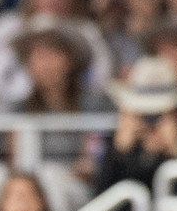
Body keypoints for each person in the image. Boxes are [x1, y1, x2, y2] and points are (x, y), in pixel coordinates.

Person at [8, 22, 113, 180]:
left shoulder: (95, 103)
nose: (46, 64)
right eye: (38, 55)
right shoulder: (19, 107)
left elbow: (91, 161)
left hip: (78, 186)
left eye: (53, 54)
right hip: (30, 186)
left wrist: (80, 168)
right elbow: (15, 161)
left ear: (71, 59)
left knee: (49, 176)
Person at [92, 55, 177, 195]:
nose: (151, 120)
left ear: (175, 112)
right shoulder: (114, 144)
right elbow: (101, 200)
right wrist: (120, 153)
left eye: (159, 114)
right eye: (144, 113)